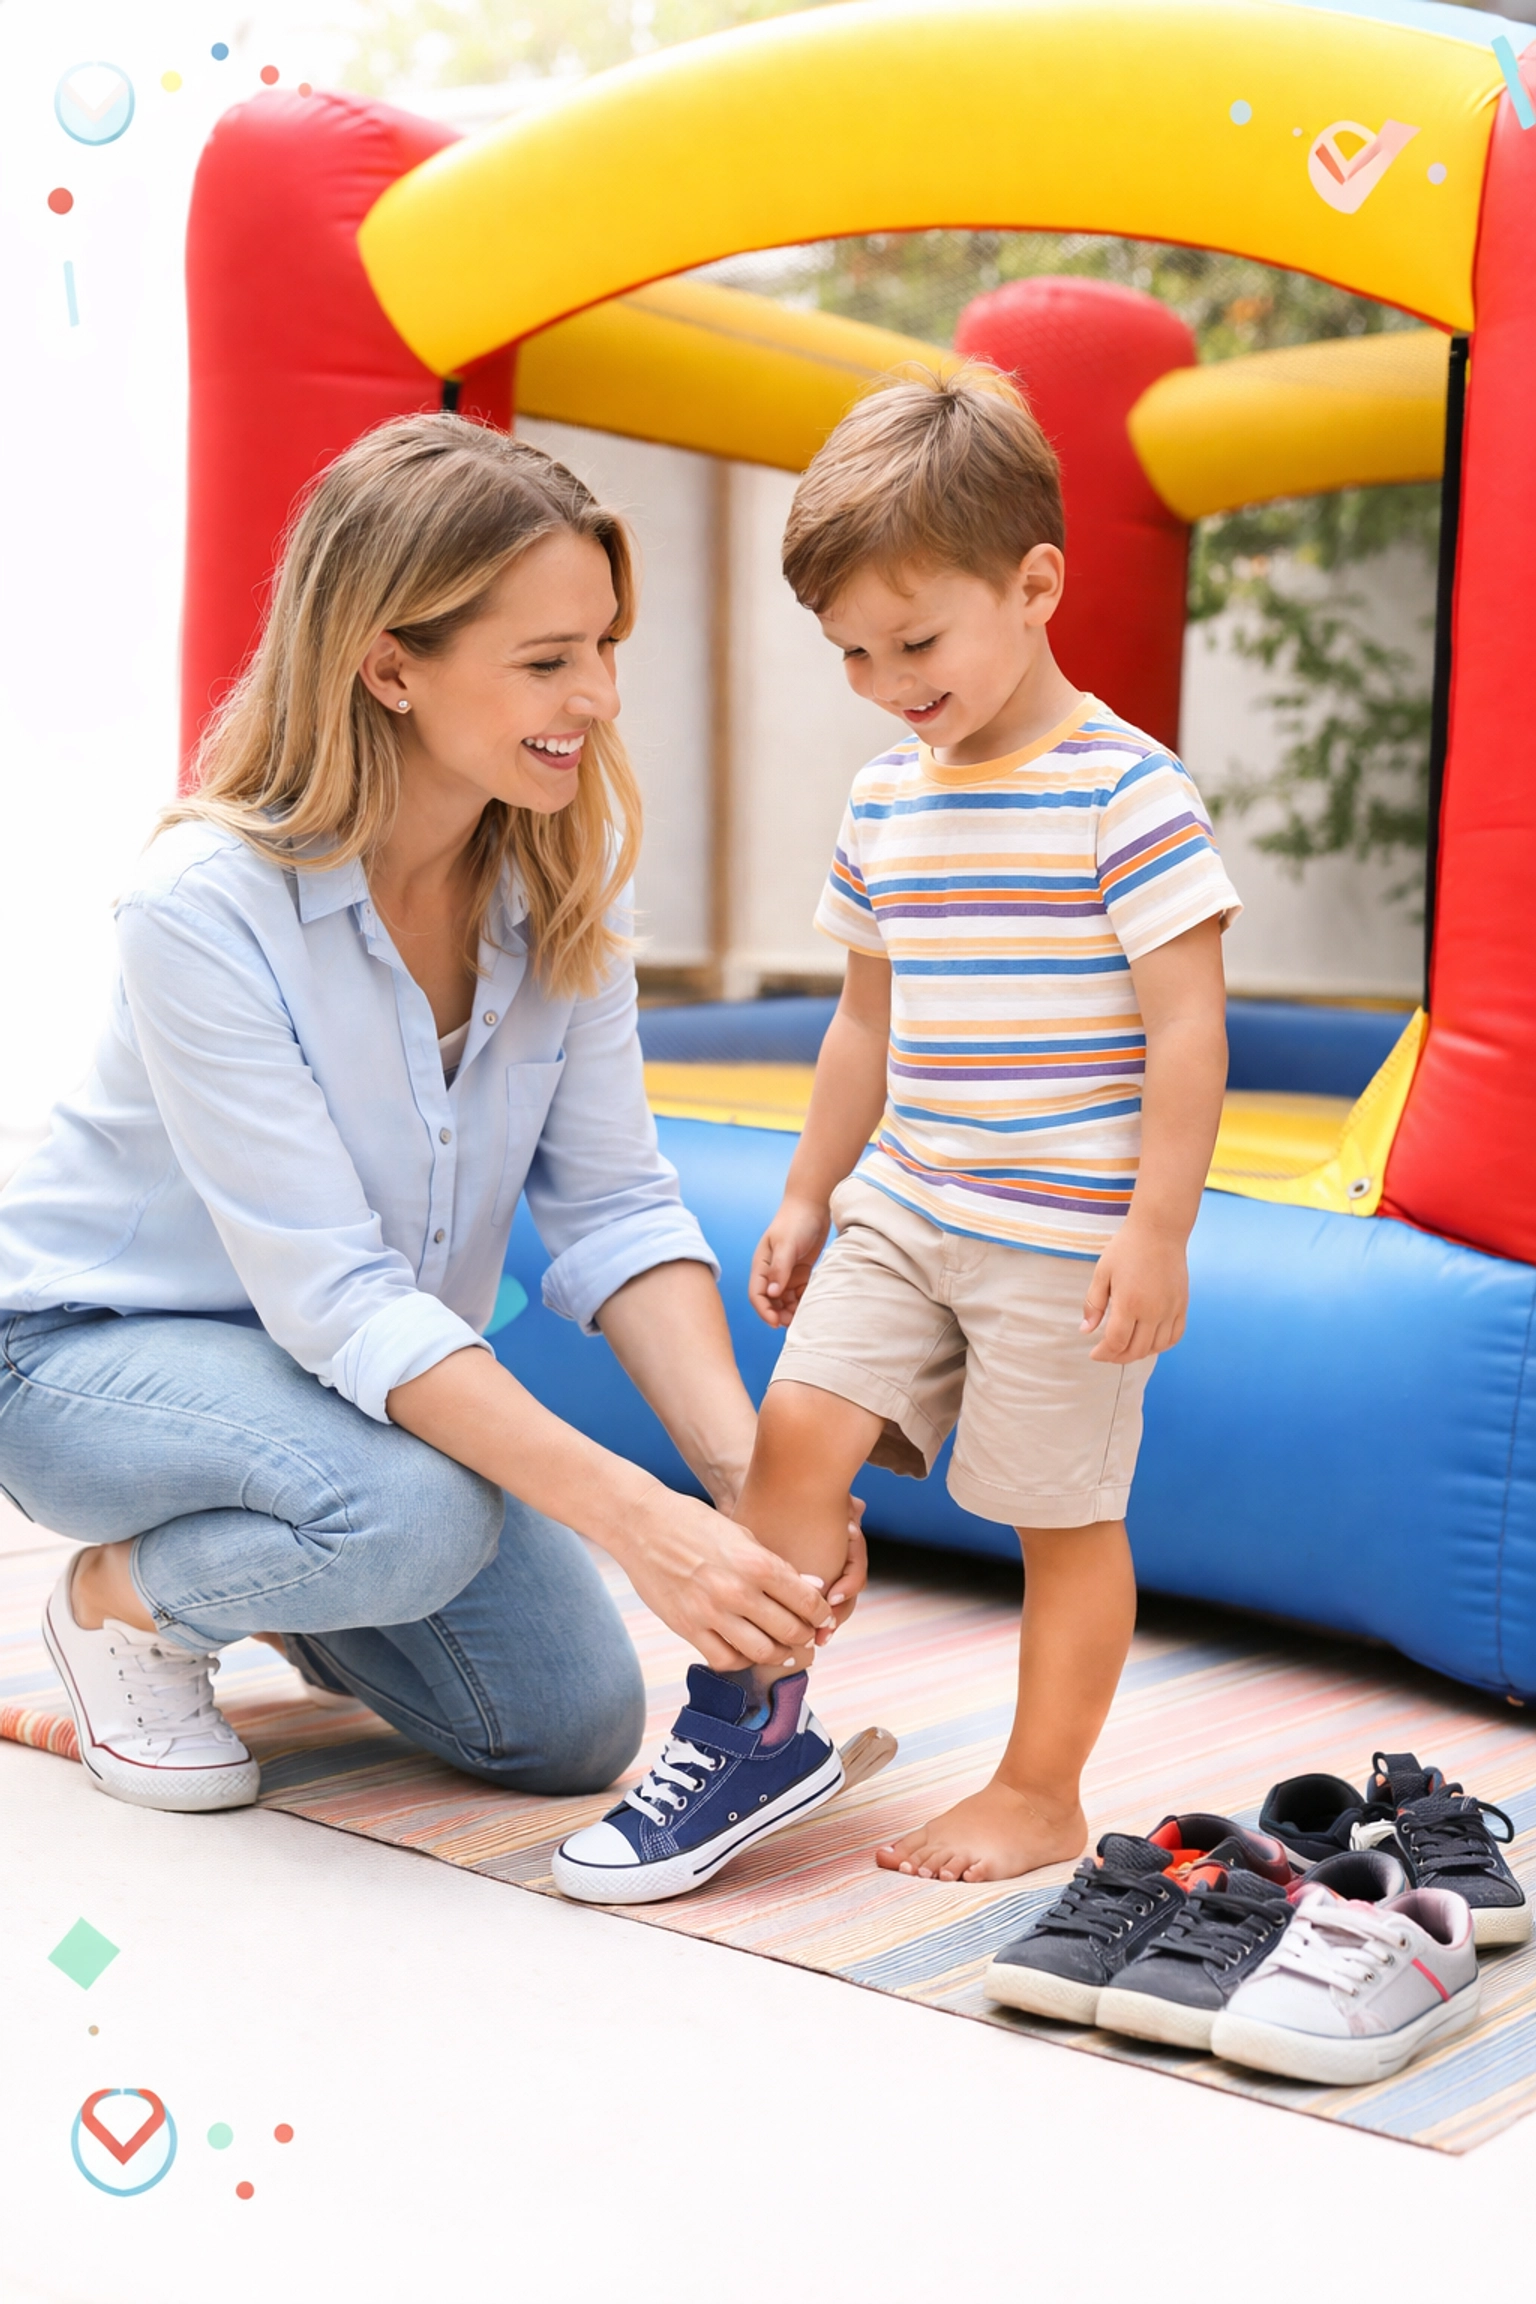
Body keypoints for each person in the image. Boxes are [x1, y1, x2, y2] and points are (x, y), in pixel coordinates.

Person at [0, 413, 850, 1815]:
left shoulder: (564, 877)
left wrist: (744, 1474)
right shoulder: (201, 908)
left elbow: (619, 1207)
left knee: (567, 1729)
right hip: (86, 1359)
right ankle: (116, 1606)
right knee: (413, 1514)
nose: (600, 696)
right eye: (548, 661)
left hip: (338, 1391)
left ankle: (290, 1567)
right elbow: (336, 1295)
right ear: (390, 665)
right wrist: (644, 1521)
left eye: (605, 646)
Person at [554, 366, 1236, 1902]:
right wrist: (810, 1190)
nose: (882, 680)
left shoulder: (1126, 794)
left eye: (914, 643)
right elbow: (863, 1020)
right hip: (906, 1207)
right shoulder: (884, 799)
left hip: (1066, 1240)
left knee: (1063, 1518)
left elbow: (1191, 1030)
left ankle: (1040, 1790)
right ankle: (752, 1726)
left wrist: (1159, 1229)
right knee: (793, 1437)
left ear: (1035, 587)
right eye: (850, 650)